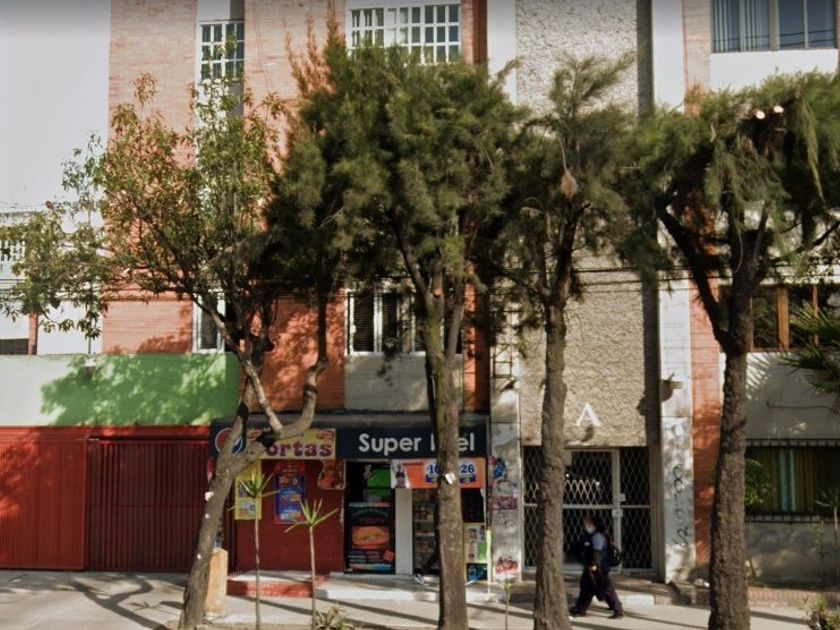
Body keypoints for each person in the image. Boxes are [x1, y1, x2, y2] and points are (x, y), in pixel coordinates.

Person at [569, 514, 624, 619]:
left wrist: (594, 564)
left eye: (589, 523)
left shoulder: (598, 536)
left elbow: (598, 552)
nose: (586, 525)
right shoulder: (591, 535)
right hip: (591, 567)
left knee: (606, 589)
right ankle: (580, 609)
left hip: (598, 568)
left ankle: (618, 610)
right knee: (586, 588)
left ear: (594, 524)